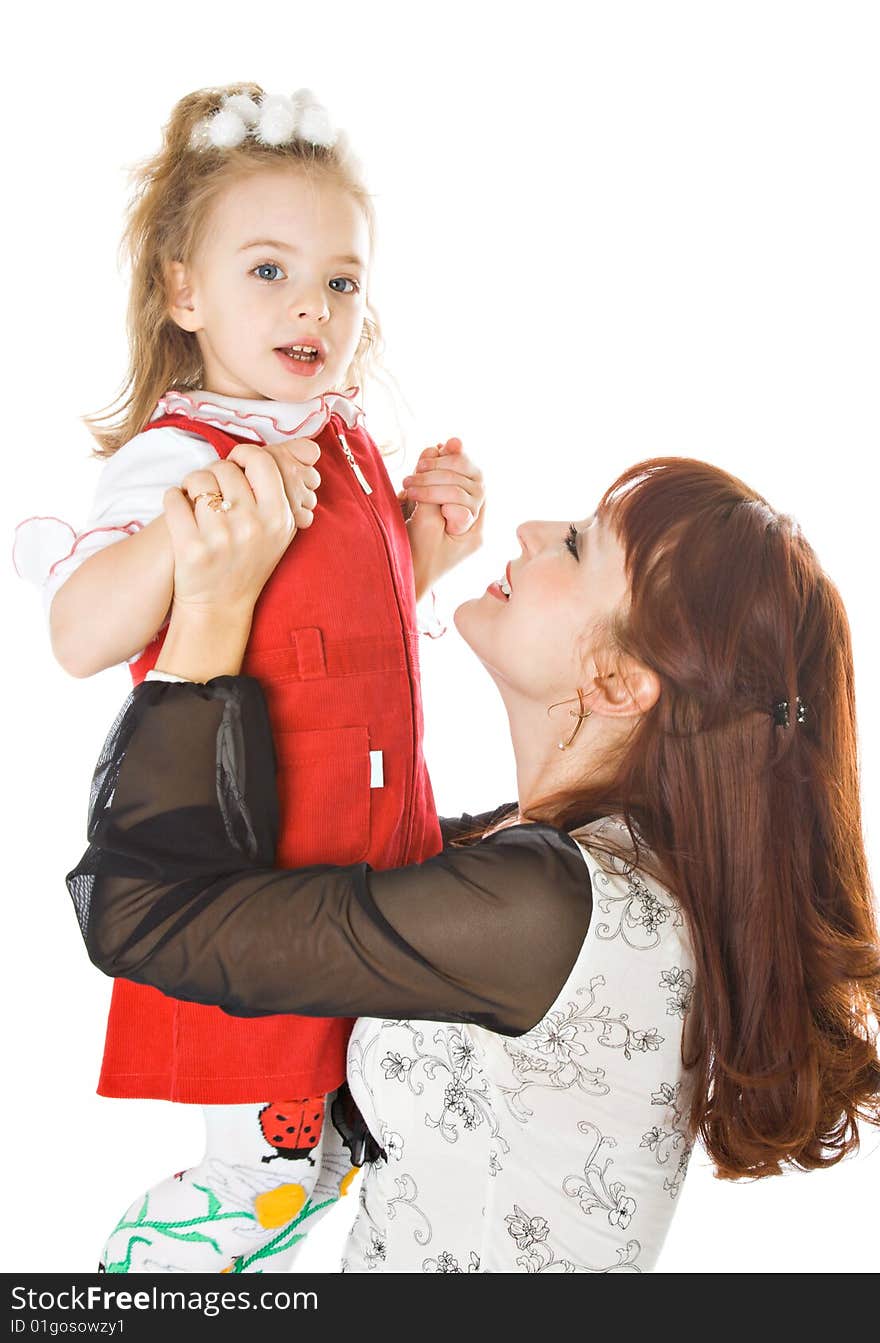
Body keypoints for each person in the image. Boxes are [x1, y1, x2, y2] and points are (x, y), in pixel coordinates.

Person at [68, 452, 880, 1273]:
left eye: (573, 546)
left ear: (618, 679)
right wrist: (390, 570)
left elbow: (141, 914)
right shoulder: (566, 868)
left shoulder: (545, 905)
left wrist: (213, 608)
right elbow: (312, 854)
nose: (531, 532)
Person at [15, 84, 485, 1273]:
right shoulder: (181, 454)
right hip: (267, 842)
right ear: (184, 292)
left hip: (379, 828)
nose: (312, 307)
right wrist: (182, 535)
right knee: (273, 1086)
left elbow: (355, 624)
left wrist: (429, 540)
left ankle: (325, 1180)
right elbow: (78, 632)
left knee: (372, 1070)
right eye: (267, 270)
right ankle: (183, 1249)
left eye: (340, 278)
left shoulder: (345, 438)